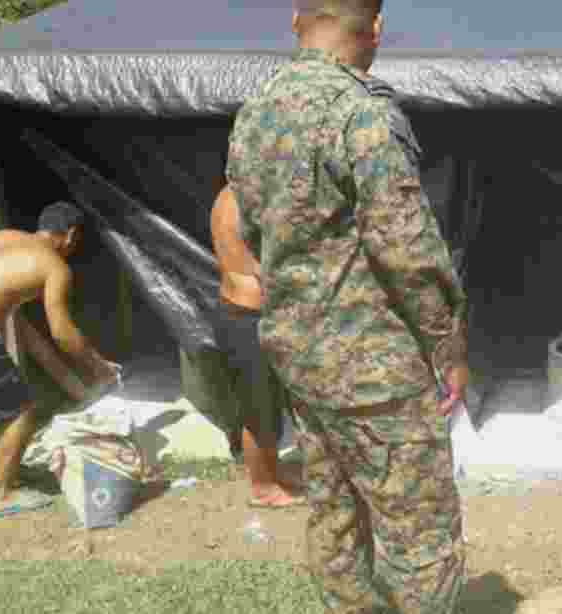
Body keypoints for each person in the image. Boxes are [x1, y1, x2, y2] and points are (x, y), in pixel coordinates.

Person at [226, 1, 469, 611]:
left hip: (301, 360)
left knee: (335, 514)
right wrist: (449, 342)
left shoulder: (254, 114)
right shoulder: (360, 113)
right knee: (420, 536)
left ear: (295, 19)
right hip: (375, 369)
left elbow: (250, 230)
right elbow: (405, 249)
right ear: (377, 27)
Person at [0, 201, 121, 518]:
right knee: (22, 413)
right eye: (76, 242)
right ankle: (2, 495)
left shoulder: (5, 237)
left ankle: (9, 467)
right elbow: (63, 333)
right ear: (70, 235)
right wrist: (100, 367)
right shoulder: (54, 266)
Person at [209, 186, 303, 508]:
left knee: (267, 405)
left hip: (243, 313)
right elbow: (267, 268)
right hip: (246, 317)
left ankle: (273, 473)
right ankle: (264, 487)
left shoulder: (227, 196)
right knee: (258, 410)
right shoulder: (244, 201)